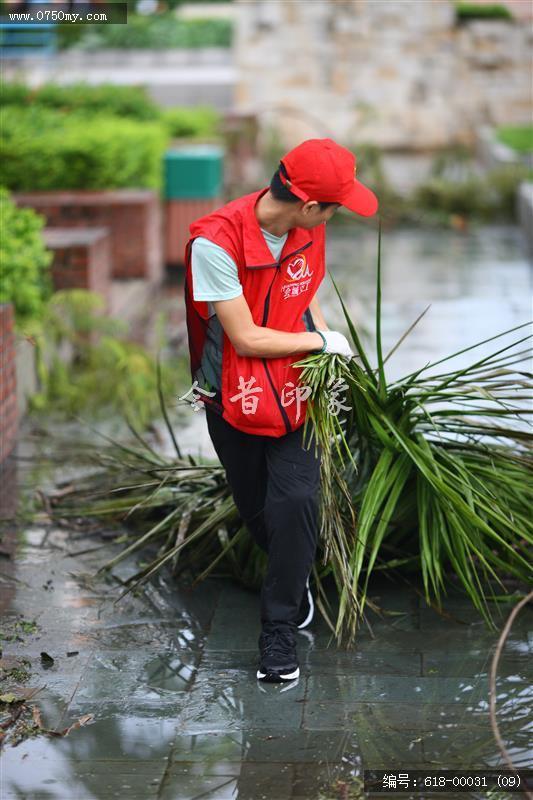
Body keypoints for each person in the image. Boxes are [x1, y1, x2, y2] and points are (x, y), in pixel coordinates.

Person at [183, 138, 378, 682]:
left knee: (295, 501)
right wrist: (322, 345)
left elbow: (304, 293)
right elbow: (244, 337)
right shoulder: (216, 243)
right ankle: (296, 576)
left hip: (296, 393)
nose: (337, 215)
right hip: (232, 397)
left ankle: (278, 630)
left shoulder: (309, 228)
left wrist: (319, 337)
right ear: (309, 204)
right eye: (335, 206)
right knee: (261, 513)